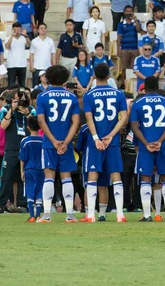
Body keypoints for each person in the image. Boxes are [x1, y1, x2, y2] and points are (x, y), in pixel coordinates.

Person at [80, 64, 128, 223]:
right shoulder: (119, 94)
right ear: (109, 76)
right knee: (115, 175)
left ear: (94, 76)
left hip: (96, 142)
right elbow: (124, 118)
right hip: (112, 141)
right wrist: (111, 135)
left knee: (93, 176)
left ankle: (90, 215)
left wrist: (96, 138)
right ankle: (120, 214)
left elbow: (89, 118)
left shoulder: (89, 95)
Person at [36, 65, 81, 223]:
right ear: (64, 79)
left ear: (48, 78)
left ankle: (47, 215)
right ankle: (69, 214)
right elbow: (76, 122)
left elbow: (41, 120)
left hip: (50, 143)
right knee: (66, 177)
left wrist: (54, 141)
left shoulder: (42, 96)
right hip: (66, 143)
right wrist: (66, 142)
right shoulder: (72, 97)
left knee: (49, 177)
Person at [130, 76, 165, 222]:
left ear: (145, 88)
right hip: (163, 145)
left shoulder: (138, 103)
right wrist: (160, 141)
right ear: (157, 86)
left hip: (145, 146)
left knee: (146, 178)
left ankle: (147, 214)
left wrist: (146, 142)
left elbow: (134, 126)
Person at [18, 116, 43, 222]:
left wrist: (21, 171)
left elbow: (22, 158)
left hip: (29, 168)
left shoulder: (25, 141)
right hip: (41, 169)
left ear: (28, 127)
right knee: (39, 190)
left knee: (30, 189)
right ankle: (38, 215)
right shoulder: (43, 141)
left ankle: (31, 215)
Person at [5, 22, 29, 87]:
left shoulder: (23, 38)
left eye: (19, 30)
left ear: (21, 29)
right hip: (11, 65)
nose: (17, 31)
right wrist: (12, 36)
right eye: (15, 30)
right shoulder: (8, 38)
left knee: (22, 85)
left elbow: (28, 44)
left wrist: (26, 35)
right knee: (11, 84)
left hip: (22, 64)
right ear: (12, 29)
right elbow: (7, 46)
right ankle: (11, 96)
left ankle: (22, 96)